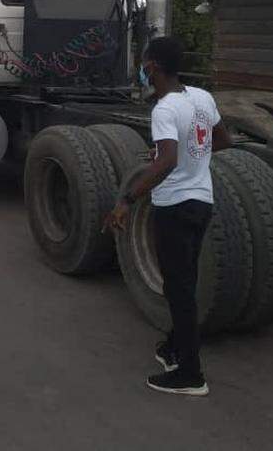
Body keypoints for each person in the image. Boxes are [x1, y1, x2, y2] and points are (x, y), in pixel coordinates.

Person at [104, 35, 230, 397]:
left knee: (179, 289)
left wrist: (126, 199)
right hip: (201, 201)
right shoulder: (202, 97)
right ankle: (174, 348)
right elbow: (223, 141)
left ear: (152, 67)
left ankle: (190, 375)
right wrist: (194, 162)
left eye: (144, 64)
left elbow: (168, 161)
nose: (142, 70)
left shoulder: (164, 109)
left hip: (175, 207)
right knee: (183, 282)